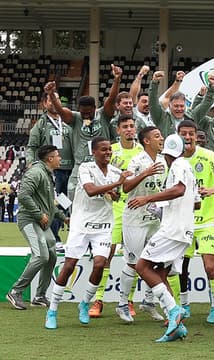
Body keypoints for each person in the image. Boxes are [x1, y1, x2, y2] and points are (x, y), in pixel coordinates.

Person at [45, 137, 131, 330]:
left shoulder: (116, 172)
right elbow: (91, 191)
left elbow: (122, 188)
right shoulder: (86, 168)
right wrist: (115, 185)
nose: (108, 152)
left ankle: (84, 303)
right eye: (103, 150)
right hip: (81, 225)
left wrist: (119, 188)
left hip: (103, 226)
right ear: (94, 152)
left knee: (100, 264)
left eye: (109, 149)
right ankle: (52, 310)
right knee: (68, 266)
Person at [128, 133, 200, 342]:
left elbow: (179, 190)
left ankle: (174, 310)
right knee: (159, 272)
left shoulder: (177, 166)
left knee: (142, 267)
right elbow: (195, 203)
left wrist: (148, 198)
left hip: (172, 230)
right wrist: (162, 208)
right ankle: (176, 325)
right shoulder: (187, 167)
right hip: (184, 230)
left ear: (164, 152)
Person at [176, 119, 214, 329]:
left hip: (207, 220)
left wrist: (212, 190)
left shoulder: (208, 156)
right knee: (176, 268)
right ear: (178, 135)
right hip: (182, 221)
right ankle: (181, 308)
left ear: (196, 136)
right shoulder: (173, 159)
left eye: (191, 134)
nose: (187, 137)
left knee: (210, 266)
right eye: (184, 133)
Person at [90, 115, 143, 318]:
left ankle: (128, 301)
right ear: (118, 130)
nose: (130, 129)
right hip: (114, 209)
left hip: (136, 208)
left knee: (135, 257)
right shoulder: (110, 150)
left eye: (132, 126)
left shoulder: (142, 152)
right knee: (107, 255)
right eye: (125, 127)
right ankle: (99, 299)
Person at [114, 126, 167, 323]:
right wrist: (144, 173)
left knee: (155, 261)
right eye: (157, 136)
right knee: (134, 263)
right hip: (135, 220)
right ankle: (122, 304)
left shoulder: (163, 161)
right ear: (146, 141)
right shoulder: (136, 161)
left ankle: (148, 302)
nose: (161, 138)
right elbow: (125, 187)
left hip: (155, 219)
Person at [6, 145, 68, 310]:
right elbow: (23, 195)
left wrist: (64, 218)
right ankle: (15, 291)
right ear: (50, 159)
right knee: (41, 255)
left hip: (41, 222)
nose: (60, 158)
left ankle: (40, 295)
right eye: (57, 156)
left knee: (52, 256)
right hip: (30, 220)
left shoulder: (47, 174)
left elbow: (50, 205)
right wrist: (39, 214)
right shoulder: (36, 173)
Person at [44, 68, 119, 200]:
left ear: (95, 108)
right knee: (70, 195)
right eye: (83, 112)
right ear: (79, 109)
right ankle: (68, 218)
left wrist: (117, 79)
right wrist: (51, 95)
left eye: (89, 112)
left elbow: (111, 99)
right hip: (80, 166)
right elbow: (61, 111)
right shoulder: (75, 118)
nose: (85, 115)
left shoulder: (103, 115)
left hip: (101, 165)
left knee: (105, 198)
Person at [26, 90, 74, 251]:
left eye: (57, 100)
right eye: (51, 101)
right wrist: (31, 163)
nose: (54, 103)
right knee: (54, 204)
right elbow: (32, 147)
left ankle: (69, 238)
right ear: (45, 104)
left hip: (72, 170)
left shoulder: (68, 120)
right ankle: (54, 238)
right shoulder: (41, 124)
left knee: (67, 205)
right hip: (54, 172)